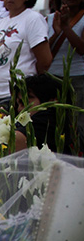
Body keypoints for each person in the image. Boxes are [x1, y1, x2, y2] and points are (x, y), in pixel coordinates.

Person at [0, 0, 52, 107]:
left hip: (19, 94)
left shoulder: (33, 19)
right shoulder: (0, 23)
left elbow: (45, 61)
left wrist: (28, 87)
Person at [48, 0, 84, 148]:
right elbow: (43, 49)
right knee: (51, 121)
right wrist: (56, 33)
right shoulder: (49, 19)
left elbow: (81, 49)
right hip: (51, 76)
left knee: (74, 122)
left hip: (76, 77)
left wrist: (65, 27)